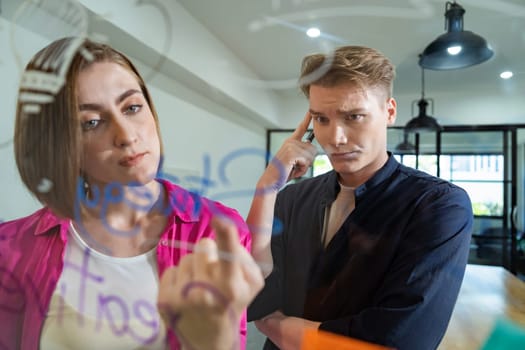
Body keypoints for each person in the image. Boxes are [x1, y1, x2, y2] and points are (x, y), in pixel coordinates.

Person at [0, 37, 263, 350]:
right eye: (91, 122)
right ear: (59, 143)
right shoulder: (12, 249)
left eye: (133, 107)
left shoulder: (218, 230)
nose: (126, 135)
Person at [247, 46, 473, 350]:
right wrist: (266, 189)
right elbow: (250, 294)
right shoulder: (291, 198)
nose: (336, 138)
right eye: (321, 119)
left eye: (354, 116)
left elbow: (401, 339)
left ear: (389, 111)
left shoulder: (438, 205)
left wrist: (276, 325)